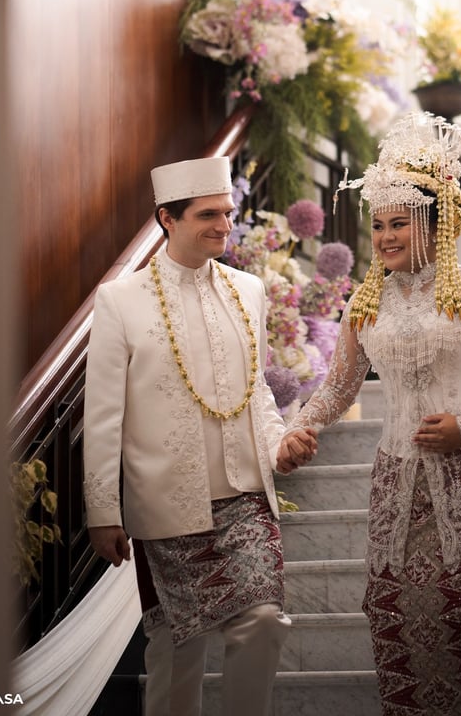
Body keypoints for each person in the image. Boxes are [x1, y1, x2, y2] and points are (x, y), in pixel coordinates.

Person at [278, 112, 461, 715]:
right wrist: (299, 427)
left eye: (399, 223)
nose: (386, 236)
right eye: (378, 225)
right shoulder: (365, 303)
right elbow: (337, 389)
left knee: (456, 609)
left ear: (437, 225)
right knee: (391, 611)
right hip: (397, 480)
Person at [83, 155, 317, 716]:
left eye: (228, 213)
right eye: (208, 214)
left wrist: (279, 444)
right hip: (167, 504)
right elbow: (103, 414)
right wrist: (102, 512)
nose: (224, 225)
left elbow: (256, 391)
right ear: (168, 218)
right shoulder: (120, 300)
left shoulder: (249, 290)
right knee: (176, 646)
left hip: (246, 496)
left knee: (264, 622)